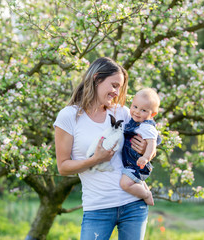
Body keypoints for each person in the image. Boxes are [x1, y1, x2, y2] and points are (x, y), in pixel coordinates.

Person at [54, 57, 149, 240]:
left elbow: (150, 139)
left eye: (119, 87)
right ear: (97, 78)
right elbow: (63, 167)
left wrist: (146, 147)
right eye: (114, 85)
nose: (117, 92)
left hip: (133, 204)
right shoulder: (69, 116)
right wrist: (96, 159)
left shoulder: (121, 113)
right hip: (97, 207)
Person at [120, 88, 161, 206]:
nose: (137, 112)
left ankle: (146, 194)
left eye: (143, 110)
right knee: (129, 181)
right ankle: (143, 187)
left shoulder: (147, 127)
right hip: (130, 162)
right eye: (135, 107)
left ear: (152, 114)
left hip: (137, 164)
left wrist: (146, 157)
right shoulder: (133, 121)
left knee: (125, 184)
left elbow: (152, 144)